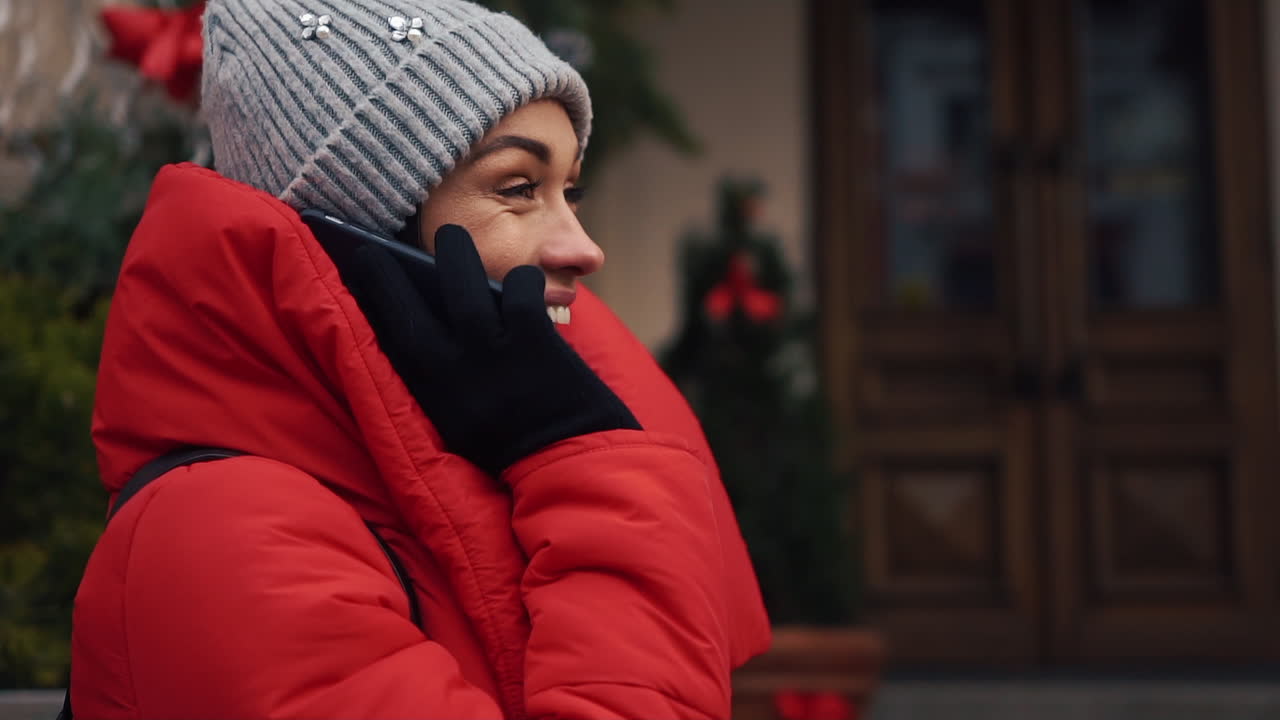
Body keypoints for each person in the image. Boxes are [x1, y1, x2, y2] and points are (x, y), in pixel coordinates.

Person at [69, 0, 771, 718]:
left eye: (572, 192)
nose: (583, 248)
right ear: (362, 237)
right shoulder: (221, 538)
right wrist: (585, 456)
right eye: (519, 189)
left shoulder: (484, 460)